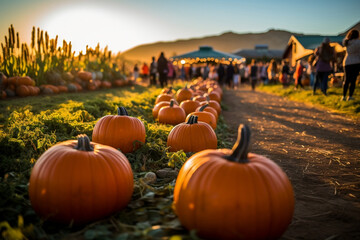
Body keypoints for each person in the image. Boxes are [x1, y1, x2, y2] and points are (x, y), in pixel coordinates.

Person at [342, 29, 360, 101]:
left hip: (347, 62)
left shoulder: (346, 42)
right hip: (356, 62)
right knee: (353, 80)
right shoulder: (358, 42)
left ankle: (343, 96)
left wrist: (348, 37)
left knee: (346, 80)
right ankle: (350, 96)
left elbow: (344, 39)